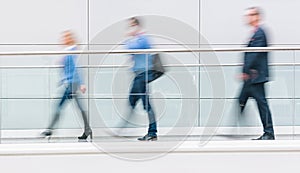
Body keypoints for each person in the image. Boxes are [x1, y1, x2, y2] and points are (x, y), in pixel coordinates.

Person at [41, 30, 92, 141]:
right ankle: (87, 129)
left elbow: (77, 68)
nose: (63, 39)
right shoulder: (67, 51)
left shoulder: (72, 51)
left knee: (59, 105)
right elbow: (65, 67)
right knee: (79, 106)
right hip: (70, 83)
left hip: (72, 83)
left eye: (65, 37)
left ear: (69, 39)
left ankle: (50, 129)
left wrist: (82, 83)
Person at [239, 7, 275, 140]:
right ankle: (237, 129)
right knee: (242, 100)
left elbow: (254, 54)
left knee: (261, 104)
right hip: (252, 76)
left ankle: (269, 132)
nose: (247, 18)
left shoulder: (260, 33)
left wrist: (246, 71)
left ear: (257, 16)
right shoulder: (256, 33)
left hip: (255, 76)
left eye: (250, 15)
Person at [123, 17, 157, 141]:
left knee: (145, 104)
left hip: (143, 74)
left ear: (137, 26)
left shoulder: (143, 38)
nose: (130, 29)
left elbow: (129, 49)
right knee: (133, 100)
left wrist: (128, 39)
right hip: (139, 74)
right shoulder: (138, 39)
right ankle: (125, 128)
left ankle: (152, 132)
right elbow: (130, 53)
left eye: (132, 26)